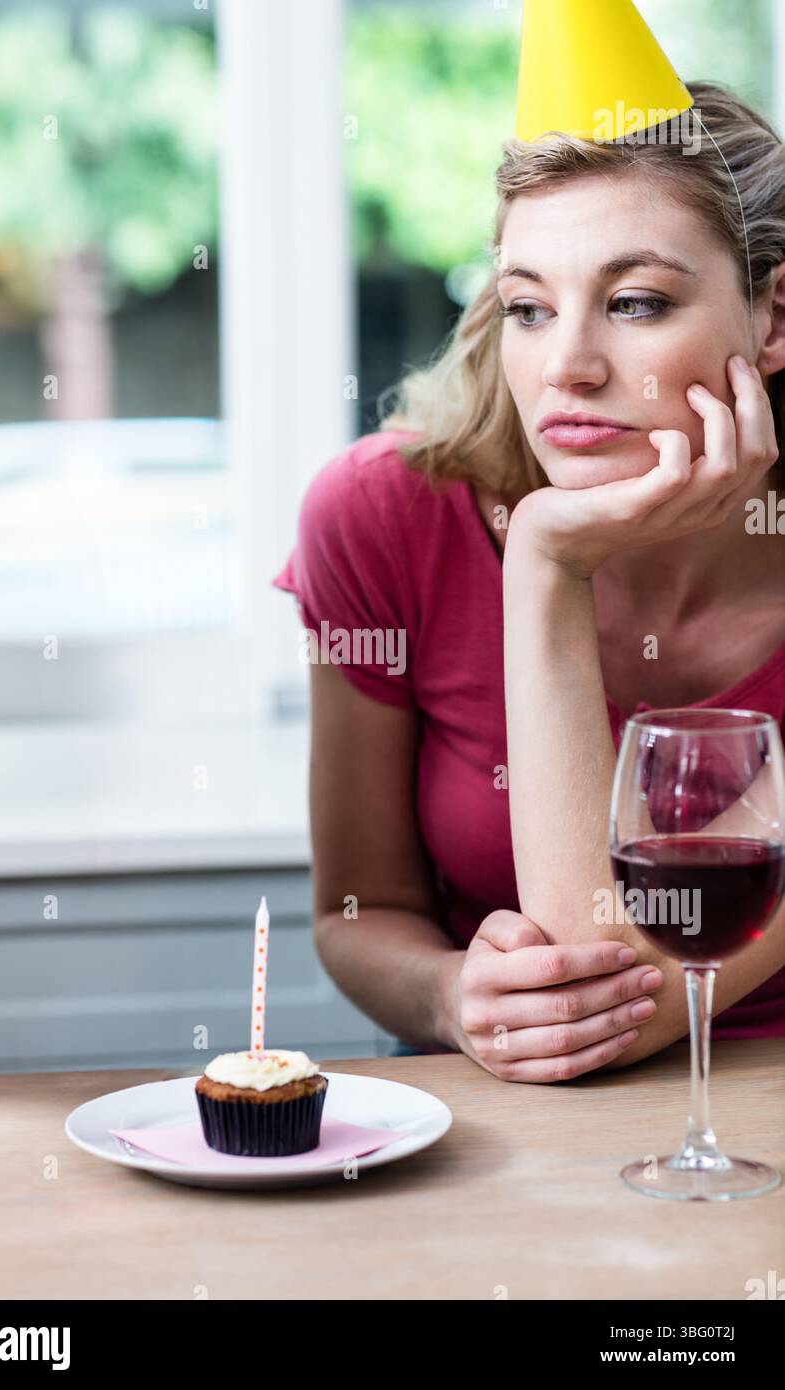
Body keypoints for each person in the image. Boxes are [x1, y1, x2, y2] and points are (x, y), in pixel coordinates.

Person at [272, 80, 785, 1082]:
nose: (567, 366)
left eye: (634, 301)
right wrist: (446, 992)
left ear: (771, 319)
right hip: (492, 1152)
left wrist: (545, 562)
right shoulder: (381, 519)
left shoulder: (538, 544)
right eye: (527, 307)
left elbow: (621, 984)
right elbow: (361, 912)